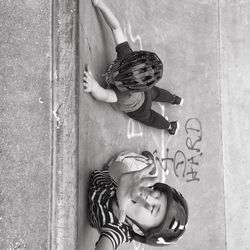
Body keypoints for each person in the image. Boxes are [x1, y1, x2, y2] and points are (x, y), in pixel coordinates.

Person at [82, 0, 184, 135]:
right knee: (157, 93)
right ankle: (174, 99)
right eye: (118, 70)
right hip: (145, 92)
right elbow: (115, 27)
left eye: (119, 78)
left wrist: (93, 87)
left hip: (139, 109)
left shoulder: (124, 96)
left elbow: (105, 95)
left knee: (151, 118)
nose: (114, 74)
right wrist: (100, 5)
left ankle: (170, 126)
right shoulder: (127, 57)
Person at [88, 151, 189, 249]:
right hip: (127, 172)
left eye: (153, 208)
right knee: (127, 163)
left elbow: (107, 245)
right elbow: (115, 166)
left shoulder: (118, 229)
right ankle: (150, 166)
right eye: (156, 195)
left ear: (139, 230)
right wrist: (121, 177)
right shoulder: (133, 186)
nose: (149, 198)